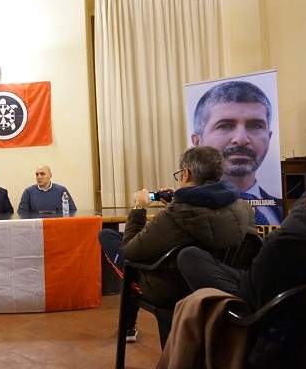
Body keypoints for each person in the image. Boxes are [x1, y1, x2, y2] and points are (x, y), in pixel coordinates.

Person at [98, 146, 255, 342]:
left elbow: (130, 251)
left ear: (186, 173)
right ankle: (128, 327)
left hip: (171, 289)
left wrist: (139, 208)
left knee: (108, 237)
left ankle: (128, 328)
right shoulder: (243, 207)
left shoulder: (175, 217)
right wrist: (178, 199)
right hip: (218, 282)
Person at [177, 188, 306, 312]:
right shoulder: (242, 205)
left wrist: (175, 204)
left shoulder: (288, 241)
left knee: (187, 257)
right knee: (189, 255)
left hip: (262, 300)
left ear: (186, 174)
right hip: (257, 276)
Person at [191, 80, 283, 225]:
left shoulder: (282, 211)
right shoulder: (187, 213)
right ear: (197, 142)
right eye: (225, 125)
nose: (241, 139)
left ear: (269, 137)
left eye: (255, 125)